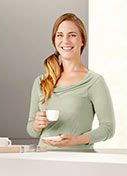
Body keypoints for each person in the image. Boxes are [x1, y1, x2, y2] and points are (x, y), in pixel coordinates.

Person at [26, 13, 115, 150]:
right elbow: (31, 131)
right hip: (43, 159)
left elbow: (108, 128)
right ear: (55, 41)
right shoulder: (41, 81)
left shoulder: (94, 81)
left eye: (72, 35)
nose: (65, 41)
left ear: (82, 40)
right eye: (60, 35)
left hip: (78, 161)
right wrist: (36, 125)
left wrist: (76, 140)